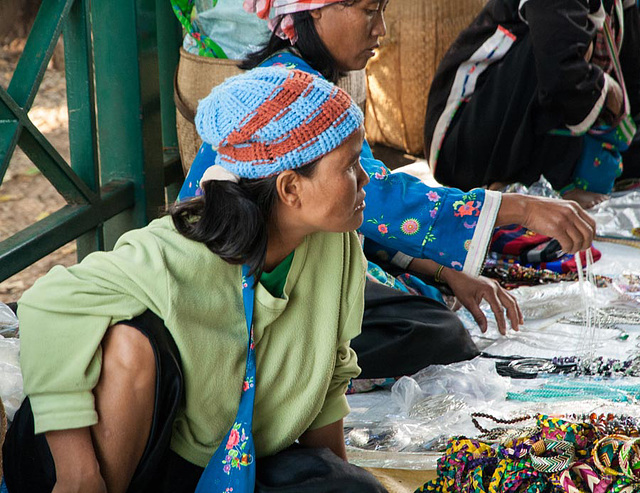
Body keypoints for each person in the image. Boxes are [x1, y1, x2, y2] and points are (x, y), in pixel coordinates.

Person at [2, 68, 388, 493]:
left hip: (225, 460)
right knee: (130, 346)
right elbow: (44, 306)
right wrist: (79, 472)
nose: (366, 178)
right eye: (351, 166)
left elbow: (330, 375)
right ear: (291, 188)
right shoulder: (175, 253)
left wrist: (339, 478)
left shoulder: (340, 248)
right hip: (118, 458)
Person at [177, 0, 597, 379]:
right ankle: (291, 369)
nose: (380, 29)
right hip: (242, 294)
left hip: (287, 269)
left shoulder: (303, 79)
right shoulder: (291, 92)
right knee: (438, 333)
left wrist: (446, 272)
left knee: (427, 305)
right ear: (315, 12)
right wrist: (519, 209)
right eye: (368, 10)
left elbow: (356, 212)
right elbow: (378, 199)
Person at [424, 0, 640, 209]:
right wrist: (607, 88)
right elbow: (560, 71)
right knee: (557, 45)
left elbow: (632, 80)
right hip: (461, 141)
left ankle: (546, 180)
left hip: (518, 130)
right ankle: (526, 182)